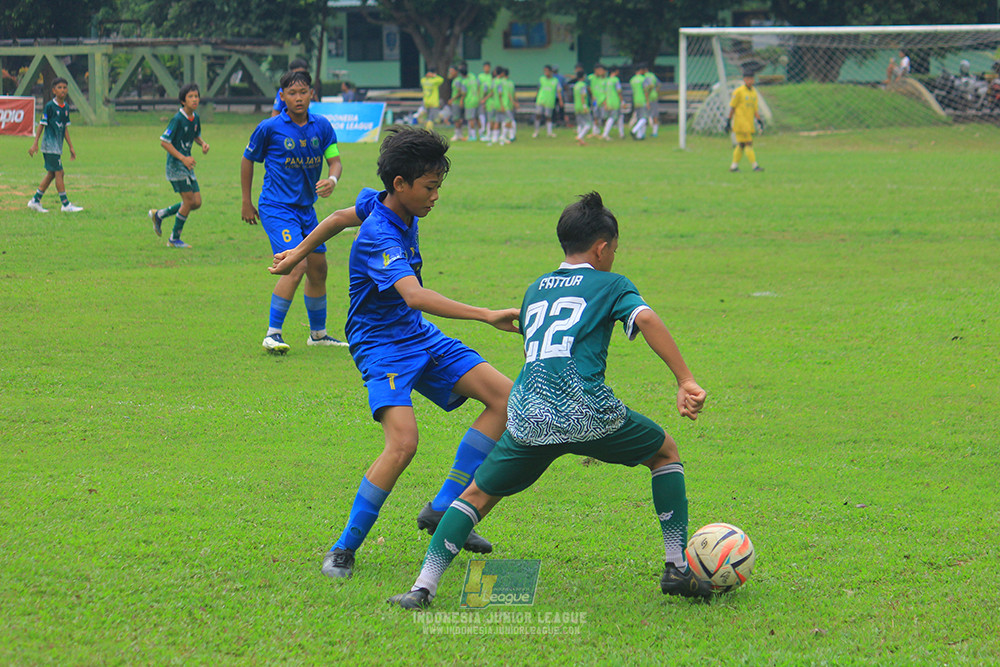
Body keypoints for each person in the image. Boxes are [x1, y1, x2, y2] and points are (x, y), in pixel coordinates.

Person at [387, 191, 711, 610]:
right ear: (603, 247)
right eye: (615, 248)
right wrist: (685, 380)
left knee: (476, 496)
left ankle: (422, 588)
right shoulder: (613, 283)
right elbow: (644, 318)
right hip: (586, 410)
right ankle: (675, 568)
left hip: (528, 415)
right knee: (665, 452)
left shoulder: (536, 289)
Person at [268, 127, 520, 580]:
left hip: (417, 334)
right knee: (403, 443)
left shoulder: (380, 201)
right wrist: (486, 314)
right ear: (400, 185)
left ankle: (443, 509)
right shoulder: (380, 236)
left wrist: (296, 253)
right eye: (429, 187)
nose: (435, 196)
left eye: (439, 186)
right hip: (381, 345)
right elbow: (415, 295)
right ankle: (343, 547)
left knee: (507, 399)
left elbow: (340, 216)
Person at [241, 69, 346, 354]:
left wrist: (332, 179)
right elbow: (248, 159)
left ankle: (318, 335)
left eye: (303, 92)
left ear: (312, 94)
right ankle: (272, 334)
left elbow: (334, 160)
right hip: (276, 207)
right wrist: (246, 201)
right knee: (295, 263)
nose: (298, 98)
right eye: (292, 93)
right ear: (282, 96)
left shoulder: (322, 126)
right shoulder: (270, 127)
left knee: (318, 268)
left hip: (306, 209)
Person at [147, 83, 209, 249]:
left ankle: (159, 214)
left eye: (196, 96)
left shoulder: (195, 118)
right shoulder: (177, 119)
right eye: (190, 97)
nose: (194, 99)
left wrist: (202, 143)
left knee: (196, 202)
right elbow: (164, 142)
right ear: (183, 101)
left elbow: (195, 134)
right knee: (188, 201)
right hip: (176, 166)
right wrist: (183, 158)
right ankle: (174, 239)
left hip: (187, 165)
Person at [27, 78, 82, 213]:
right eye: (59, 87)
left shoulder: (66, 108)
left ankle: (35, 200)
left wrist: (71, 147)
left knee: (52, 174)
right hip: (49, 146)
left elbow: (65, 129)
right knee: (59, 172)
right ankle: (65, 204)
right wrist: (35, 143)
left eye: (64, 87)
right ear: (54, 90)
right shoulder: (50, 106)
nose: (62, 90)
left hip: (58, 147)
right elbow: (41, 124)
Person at [725, 69, 764, 172]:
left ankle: (733, 166)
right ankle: (755, 166)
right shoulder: (738, 91)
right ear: (744, 80)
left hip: (749, 122)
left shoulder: (754, 92)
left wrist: (759, 121)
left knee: (741, 145)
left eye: (751, 79)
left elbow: (755, 109)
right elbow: (732, 107)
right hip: (740, 123)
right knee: (748, 143)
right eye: (747, 79)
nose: (749, 81)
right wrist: (728, 120)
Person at [533, 65, 562, 138]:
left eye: (547, 71)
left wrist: (561, 100)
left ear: (551, 72)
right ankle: (536, 131)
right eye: (544, 71)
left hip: (549, 100)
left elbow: (558, 91)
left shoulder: (555, 81)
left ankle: (549, 132)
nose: (546, 73)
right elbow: (538, 88)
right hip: (541, 100)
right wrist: (536, 97)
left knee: (548, 116)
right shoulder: (541, 79)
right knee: (538, 115)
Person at [601, 66, 625, 140]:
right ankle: (605, 133)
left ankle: (621, 133)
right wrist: (622, 101)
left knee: (620, 117)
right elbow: (619, 92)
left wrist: (605, 103)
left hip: (609, 101)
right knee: (613, 118)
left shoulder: (606, 81)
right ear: (616, 71)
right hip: (615, 101)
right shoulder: (616, 80)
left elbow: (604, 93)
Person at [418, 66, 444, 131]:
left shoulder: (424, 80)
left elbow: (422, 80)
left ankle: (428, 129)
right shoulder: (435, 80)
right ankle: (429, 130)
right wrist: (435, 76)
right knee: (431, 119)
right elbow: (441, 80)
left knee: (428, 118)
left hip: (426, 102)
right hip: (433, 102)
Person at [629, 63, 651, 140]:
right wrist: (648, 101)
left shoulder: (632, 80)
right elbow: (646, 91)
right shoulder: (643, 79)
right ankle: (634, 130)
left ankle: (640, 135)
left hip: (636, 100)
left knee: (639, 118)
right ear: (641, 70)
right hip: (642, 100)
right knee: (644, 118)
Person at [571, 70, 592, 146]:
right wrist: (585, 106)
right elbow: (583, 96)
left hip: (577, 106)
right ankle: (580, 136)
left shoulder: (576, 85)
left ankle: (581, 141)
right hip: (583, 106)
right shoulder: (583, 85)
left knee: (580, 124)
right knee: (589, 124)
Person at [447, 65, 468, 141]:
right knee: (457, 118)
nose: (450, 73)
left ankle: (457, 134)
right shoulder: (456, 80)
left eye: (452, 71)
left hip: (457, 102)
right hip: (456, 102)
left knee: (456, 118)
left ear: (456, 72)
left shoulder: (458, 81)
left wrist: (452, 99)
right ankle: (459, 134)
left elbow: (459, 92)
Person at [588, 64, 608, 139]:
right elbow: (589, 87)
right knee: (595, 115)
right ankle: (595, 131)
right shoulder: (591, 78)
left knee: (604, 116)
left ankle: (605, 132)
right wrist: (592, 95)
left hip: (603, 100)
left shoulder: (604, 80)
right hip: (595, 100)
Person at [477, 62, 493, 139]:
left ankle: (489, 133)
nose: (486, 68)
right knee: (481, 116)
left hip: (489, 100)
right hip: (481, 99)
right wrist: (480, 98)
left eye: (488, 67)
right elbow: (478, 87)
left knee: (489, 117)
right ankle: (481, 132)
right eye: (485, 67)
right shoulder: (480, 76)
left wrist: (485, 98)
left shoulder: (491, 77)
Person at [645, 67, 661, 138]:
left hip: (647, 97)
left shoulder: (644, 77)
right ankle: (655, 132)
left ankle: (642, 133)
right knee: (655, 115)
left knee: (644, 115)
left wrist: (649, 93)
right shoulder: (653, 76)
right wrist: (656, 92)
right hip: (654, 96)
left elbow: (649, 87)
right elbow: (659, 84)